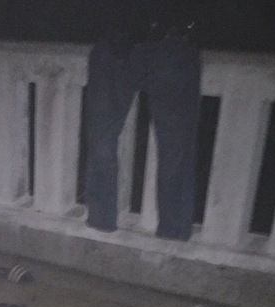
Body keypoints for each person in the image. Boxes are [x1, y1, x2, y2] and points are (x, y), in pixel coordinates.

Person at [84, 0, 202, 240]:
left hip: (171, 40)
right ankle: (100, 223)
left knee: (176, 149)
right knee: (100, 142)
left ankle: (173, 233)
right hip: (113, 41)